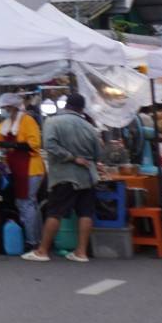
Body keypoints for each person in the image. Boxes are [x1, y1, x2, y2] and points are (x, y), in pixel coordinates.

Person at [25, 92, 101, 263]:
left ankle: (42, 251)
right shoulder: (89, 126)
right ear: (82, 109)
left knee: (55, 212)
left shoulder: (53, 121)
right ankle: (81, 252)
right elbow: (98, 153)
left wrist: (71, 158)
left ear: (66, 105)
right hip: (87, 176)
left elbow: (50, 145)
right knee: (85, 213)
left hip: (64, 175)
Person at [0, 93, 45, 250]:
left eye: (5, 107)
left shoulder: (27, 120)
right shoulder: (7, 123)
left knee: (26, 204)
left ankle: (32, 242)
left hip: (31, 168)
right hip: (18, 169)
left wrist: (11, 145)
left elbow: (34, 144)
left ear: (12, 107)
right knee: (28, 204)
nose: (3, 110)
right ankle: (35, 238)